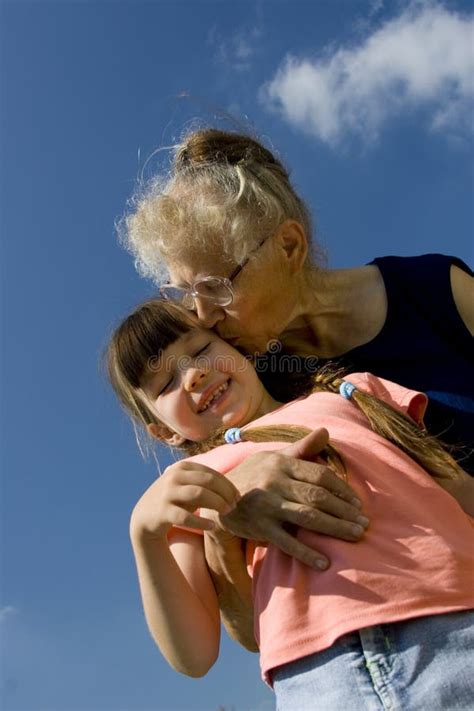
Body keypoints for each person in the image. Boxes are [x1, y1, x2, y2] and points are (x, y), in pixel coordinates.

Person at [118, 127, 474, 634]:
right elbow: (248, 633)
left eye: (215, 287)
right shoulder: (244, 387)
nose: (202, 316)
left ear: (288, 245)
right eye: (184, 293)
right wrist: (226, 510)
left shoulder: (434, 289)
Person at [107, 299, 474, 710]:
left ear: (238, 348)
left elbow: (457, 488)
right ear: (163, 432)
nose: (193, 375)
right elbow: (193, 656)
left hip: (454, 618)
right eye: (165, 385)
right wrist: (144, 536)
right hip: (319, 674)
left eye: (199, 350)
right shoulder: (195, 481)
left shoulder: (351, 393)